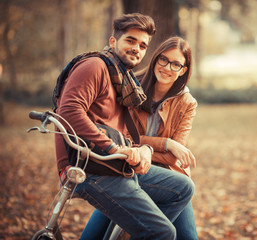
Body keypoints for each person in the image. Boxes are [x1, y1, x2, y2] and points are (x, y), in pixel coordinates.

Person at [55, 13, 194, 240]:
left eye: (142, 45)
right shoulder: (96, 66)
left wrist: (144, 150)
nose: (136, 49)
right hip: (92, 165)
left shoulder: (122, 79)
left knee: (184, 187)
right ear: (113, 41)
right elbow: (69, 111)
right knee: (164, 232)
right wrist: (114, 149)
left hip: (113, 163)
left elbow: (126, 135)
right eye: (130, 41)